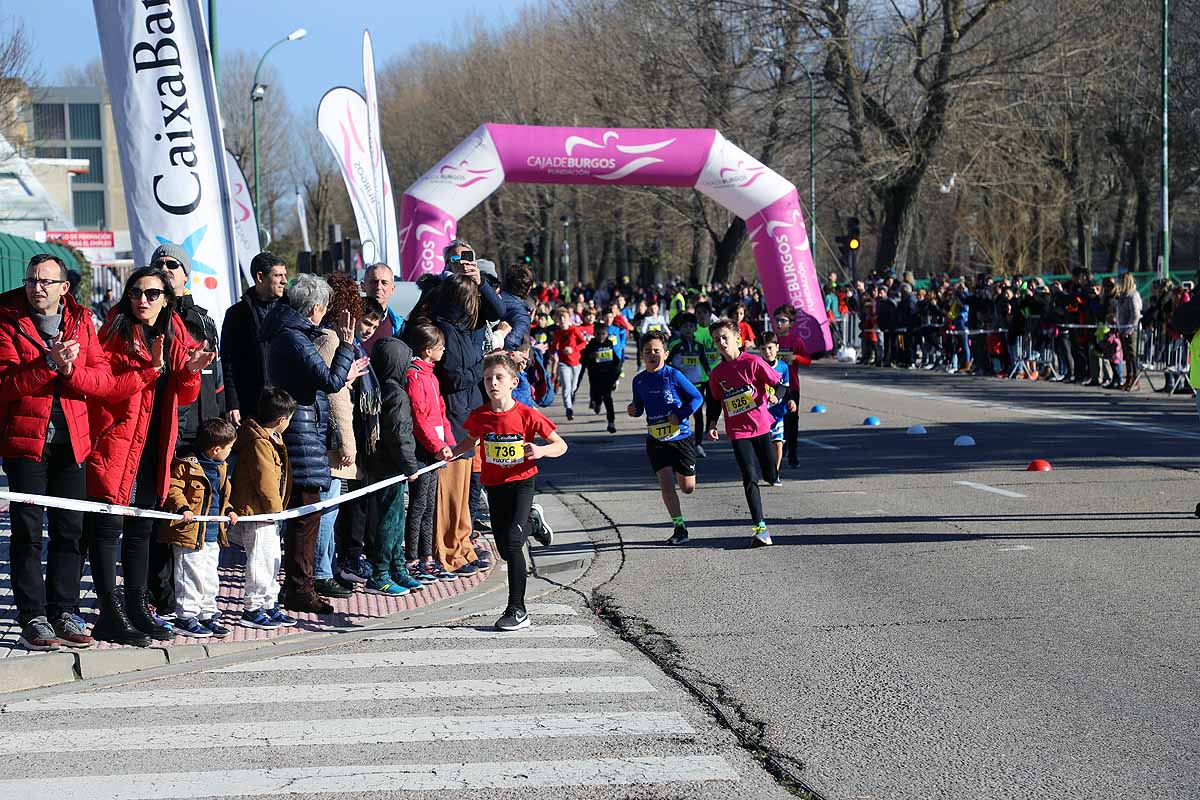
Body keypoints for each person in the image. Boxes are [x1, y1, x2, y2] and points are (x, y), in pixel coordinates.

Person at [86, 265, 213, 645]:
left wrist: (189, 371)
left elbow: (186, 394)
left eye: (152, 294)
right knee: (108, 528)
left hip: (155, 443)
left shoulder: (175, 331)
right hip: (117, 443)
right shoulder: (112, 331)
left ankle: (139, 607)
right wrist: (149, 371)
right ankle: (111, 612)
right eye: (137, 293)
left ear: (166, 299)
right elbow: (104, 387)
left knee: (142, 528)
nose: (143, 300)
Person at [0, 254, 113, 650]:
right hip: (26, 444)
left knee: (70, 530)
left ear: (64, 288)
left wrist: (70, 371)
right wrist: (49, 363)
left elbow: (101, 377)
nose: (37, 287)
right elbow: (5, 385)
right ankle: (33, 616)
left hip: (73, 442)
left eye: (46, 281)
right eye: (31, 279)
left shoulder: (82, 321)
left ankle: (64, 609)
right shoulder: (6, 318)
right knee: (28, 532)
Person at [260, 274, 370, 614]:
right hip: (300, 432)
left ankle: (298, 585)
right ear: (315, 308)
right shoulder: (294, 337)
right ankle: (300, 588)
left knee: (305, 514)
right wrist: (347, 347)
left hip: (305, 426)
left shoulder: (287, 330)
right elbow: (330, 380)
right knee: (307, 514)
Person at [454, 352, 567, 631]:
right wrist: (449, 453)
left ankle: (517, 609)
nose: (493, 382)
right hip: (494, 485)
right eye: (488, 378)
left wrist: (540, 450)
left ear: (513, 382)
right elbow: (468, 441)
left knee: (515, 543)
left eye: (499, 378)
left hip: (521, 482)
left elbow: (560, 445)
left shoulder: (527, 415)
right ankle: (534, 522)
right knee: (504, 548)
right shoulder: (480, 416)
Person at [706, 318, 787, 547]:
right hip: (737, 431)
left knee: (770, 474)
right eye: (716, 340)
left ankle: (773, 474)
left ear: (738, 339)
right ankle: (760, 529)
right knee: (749, 477)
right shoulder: (717, 373)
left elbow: (781, 384)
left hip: (761, 427)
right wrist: (712, 424)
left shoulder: (753, 362)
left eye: (725, 337)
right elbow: (713, 401)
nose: (721, 342)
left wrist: (776, 396)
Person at [159, 417, 238, 638]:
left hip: (212, 534)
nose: (231, 451)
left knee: (210, 576)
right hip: (190, 533)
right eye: (229, 447)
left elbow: (222, 496)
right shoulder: (187, 465)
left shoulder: (221, 468)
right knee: (189, 575)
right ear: (215, 449)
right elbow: (173, 488)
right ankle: (186, 615)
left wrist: (230, 510)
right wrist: (182, 507)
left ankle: (207, 613)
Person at [229, 387, 297, 629]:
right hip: (257, 512)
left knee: (273, 560)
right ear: (281, 420)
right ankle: (253, 607)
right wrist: (275, 510)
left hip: (267, 513)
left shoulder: (271, 438)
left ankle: (269, 602)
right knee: (259, 561)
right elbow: (266, 479)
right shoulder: (259, 442)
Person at [628, 330, 703, 545]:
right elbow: (640, 407)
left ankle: (686, 475)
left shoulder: (674, 375)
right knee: (665, 482)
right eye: (648, 351)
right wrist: (634, 410)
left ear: (666, 353)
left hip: (680, 437)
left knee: (687, 487)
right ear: (642, 355)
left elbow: (697, 397)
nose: (652, 355)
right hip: (656, 440)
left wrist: (679, 415)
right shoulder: (639, 381)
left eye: (656, 351)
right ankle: (679, 527)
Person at [365, 336, 426, 595]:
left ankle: (398, 568)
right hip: (391, 467)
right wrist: (410, 466)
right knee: (391, 520)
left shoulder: (373, 386)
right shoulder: (397, 395)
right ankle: (381, 573)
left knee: (393, 519)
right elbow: (400, 434)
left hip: (378, 464)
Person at [404, 322, 460, 583]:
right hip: (423, 451)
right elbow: (420, 417)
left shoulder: (431, 375)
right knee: (417, 506)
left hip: (436, 449)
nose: (444, 350)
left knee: (429, 506)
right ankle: (413, 558)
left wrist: (450, 443)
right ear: (428, 350)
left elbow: (440, 412)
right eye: (440, 347)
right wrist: (438, 447)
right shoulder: (415, 376)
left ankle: (427, 557)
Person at [220, 252, 288, 426]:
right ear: (260, 277)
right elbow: (228, 363)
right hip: (252, 405)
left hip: (288, 405)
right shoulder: (236, 314)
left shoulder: (292, 309)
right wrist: (232, 403)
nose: (284, 281)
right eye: (278, 275)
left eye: (285, 275)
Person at [667, 312, 716, 458]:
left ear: (695, 328)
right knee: (681, 413)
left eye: (691, 326)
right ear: (680, 328)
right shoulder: (676, 345)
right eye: (685, 326)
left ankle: (698, 444)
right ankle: (681, 442)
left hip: (697, 384)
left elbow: (705, 363)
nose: (688, 329)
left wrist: (712, 377)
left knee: (698, 414)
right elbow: (667, 362)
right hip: (680, 386)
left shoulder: (698, 346)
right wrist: (676, 370)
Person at [759, 332, 796, 478]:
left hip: (778, 412)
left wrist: (790, 399)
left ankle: (775, 473)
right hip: (761, 413)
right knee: (764, 446)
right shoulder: (757, 365)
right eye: (763, 349)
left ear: (777, 348)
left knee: (778, 443)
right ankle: (767, 468)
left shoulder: (783, 367)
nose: (767, 352)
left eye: (770, 348)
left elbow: (785, 387)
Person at [581, 318, 622, 433]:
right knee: (597, 396)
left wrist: (616, 373)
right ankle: (596, 403)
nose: (600, 336)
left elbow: (615, 360)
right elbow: (583, 360)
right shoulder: (591, 344)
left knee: (608, 398)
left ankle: (611, 422)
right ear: (594, 334)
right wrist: (590, 356)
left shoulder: (609, 344)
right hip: (595, 376)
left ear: (607, 334)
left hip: (607, 375)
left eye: (603, 334)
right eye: (598, 334)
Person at [549, 306, 588, 421]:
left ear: (568, 318)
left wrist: (573, 349)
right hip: (563, 363)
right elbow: (554, 346)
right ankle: (569, 408)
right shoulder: (557, 333)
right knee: (566, 387)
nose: (562, 319)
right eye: (560, 317)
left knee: (573, 387)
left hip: (576, 362)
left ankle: (570, 401)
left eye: (564, 317)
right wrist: (553, 353)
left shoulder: (574, 330)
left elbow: (583, 343)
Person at [359, 262, 406, 354]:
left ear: (392, 289)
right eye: (374, 282)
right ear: (363, 286)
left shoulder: (399, 326)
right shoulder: (348, 319)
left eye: (384, 283)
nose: (378, 287)